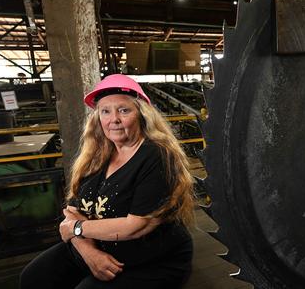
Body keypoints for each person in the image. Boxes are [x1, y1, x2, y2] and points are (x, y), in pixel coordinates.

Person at [21, 74, 195, 289]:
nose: (114, 119)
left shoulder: (156, 155)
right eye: (105, 111)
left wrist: (76, 229)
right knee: (34, 277)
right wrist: (89, 252)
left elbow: (136, 226)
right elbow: (72, 213)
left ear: (142, 115)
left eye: (124, 110)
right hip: (99, 247)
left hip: (152, 259)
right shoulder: (96, 155)